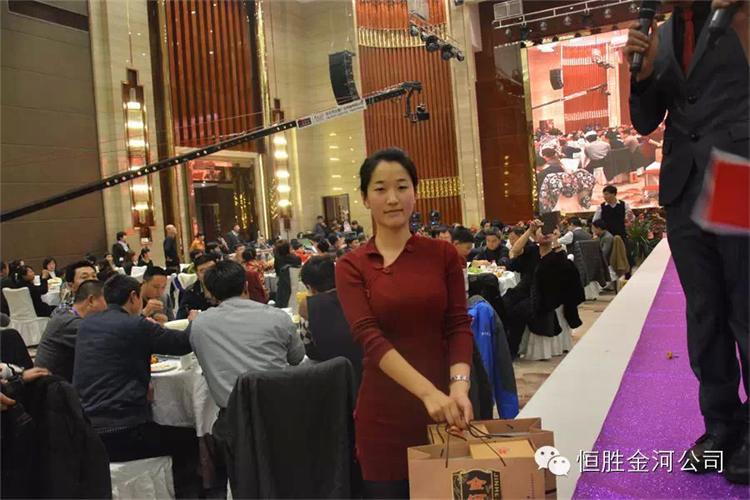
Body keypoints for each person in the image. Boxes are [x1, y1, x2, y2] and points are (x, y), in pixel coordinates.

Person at [626, 0, 749, 482]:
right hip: (683, 187)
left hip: (736, 175)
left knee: (745, 308)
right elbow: (644, 121)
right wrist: (643, 76)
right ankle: (721, 426)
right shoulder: (661, 33)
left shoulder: (741, 14)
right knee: (704, 313)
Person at [336, 148, 473, 497]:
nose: (393, 198)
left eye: (401, 186)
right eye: (380, 189)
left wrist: (458, 388)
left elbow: (458, 325)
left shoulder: (442, 254)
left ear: (415, 191)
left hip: (447, 411)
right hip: (384, 418)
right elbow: (369, 337)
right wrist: (428, 393)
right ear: (365, 198)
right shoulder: (352, 266)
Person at [72, 274, 199, 497]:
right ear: (133, 297)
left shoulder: (87, 324)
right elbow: (182, 344)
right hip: (123, 432)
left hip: (87, 431)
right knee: (190, 440)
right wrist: (193, 322)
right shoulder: (135, 325)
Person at [190, 260, 304, 409]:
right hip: (278, 409)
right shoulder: (277, 317)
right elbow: (296, 358)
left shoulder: (200, 324)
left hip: (232, 414)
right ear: (246, 285)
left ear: (211, 292)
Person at [299, 256, 362, 386]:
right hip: (368, 372)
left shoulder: (307, 307)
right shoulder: (358, 294)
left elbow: (308, 348)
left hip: (333, 380)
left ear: (310, 287)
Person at [35, 280, 106, 382]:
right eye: (106, 301)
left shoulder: (67, 313)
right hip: (52, 386)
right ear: (91, 300)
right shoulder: (68, 323)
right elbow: (107, 342)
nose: (108, 307)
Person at [177, 254, 217, 319]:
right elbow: (181, 318)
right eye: (203, 271)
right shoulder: (190, 292)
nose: (208, 273)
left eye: (211, 269)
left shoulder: (227, 287)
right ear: (197, 274)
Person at [273, 240, 302, 308]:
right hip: (296, 284)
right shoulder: (296, 259)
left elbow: (277, 273)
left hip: (283, 286)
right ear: (288, 248)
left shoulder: (277, 259)